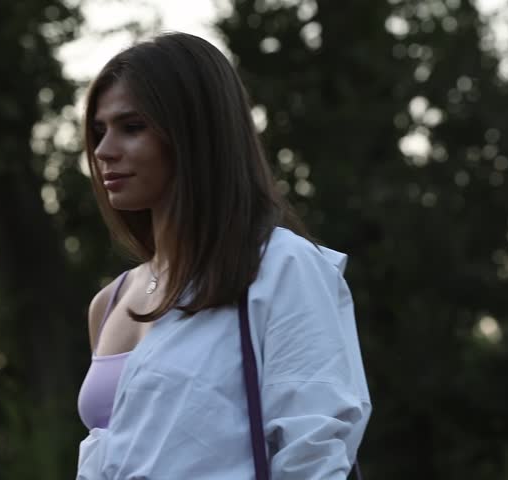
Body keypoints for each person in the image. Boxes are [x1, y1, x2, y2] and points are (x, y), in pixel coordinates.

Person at [75, 31, 371, 479]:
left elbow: (313, 450)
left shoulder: (280, 268)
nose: (103, 151)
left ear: (193, 131)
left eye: (132, 127)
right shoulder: (110, 303)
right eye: (99, 131)